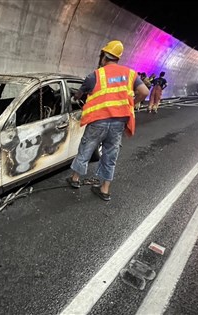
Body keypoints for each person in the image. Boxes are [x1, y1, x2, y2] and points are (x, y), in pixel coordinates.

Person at [67, 40, 149, 201]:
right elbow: (144, 91)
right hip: (118, 122)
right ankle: (104, 190)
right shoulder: (130, 74)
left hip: (99, 121)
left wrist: (75, 97)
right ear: (117, 58)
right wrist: (131, 103)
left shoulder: (95, 75)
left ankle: (75, 179)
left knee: (86, 148)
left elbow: (78, 95)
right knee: (111, 154)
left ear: (104, 56)